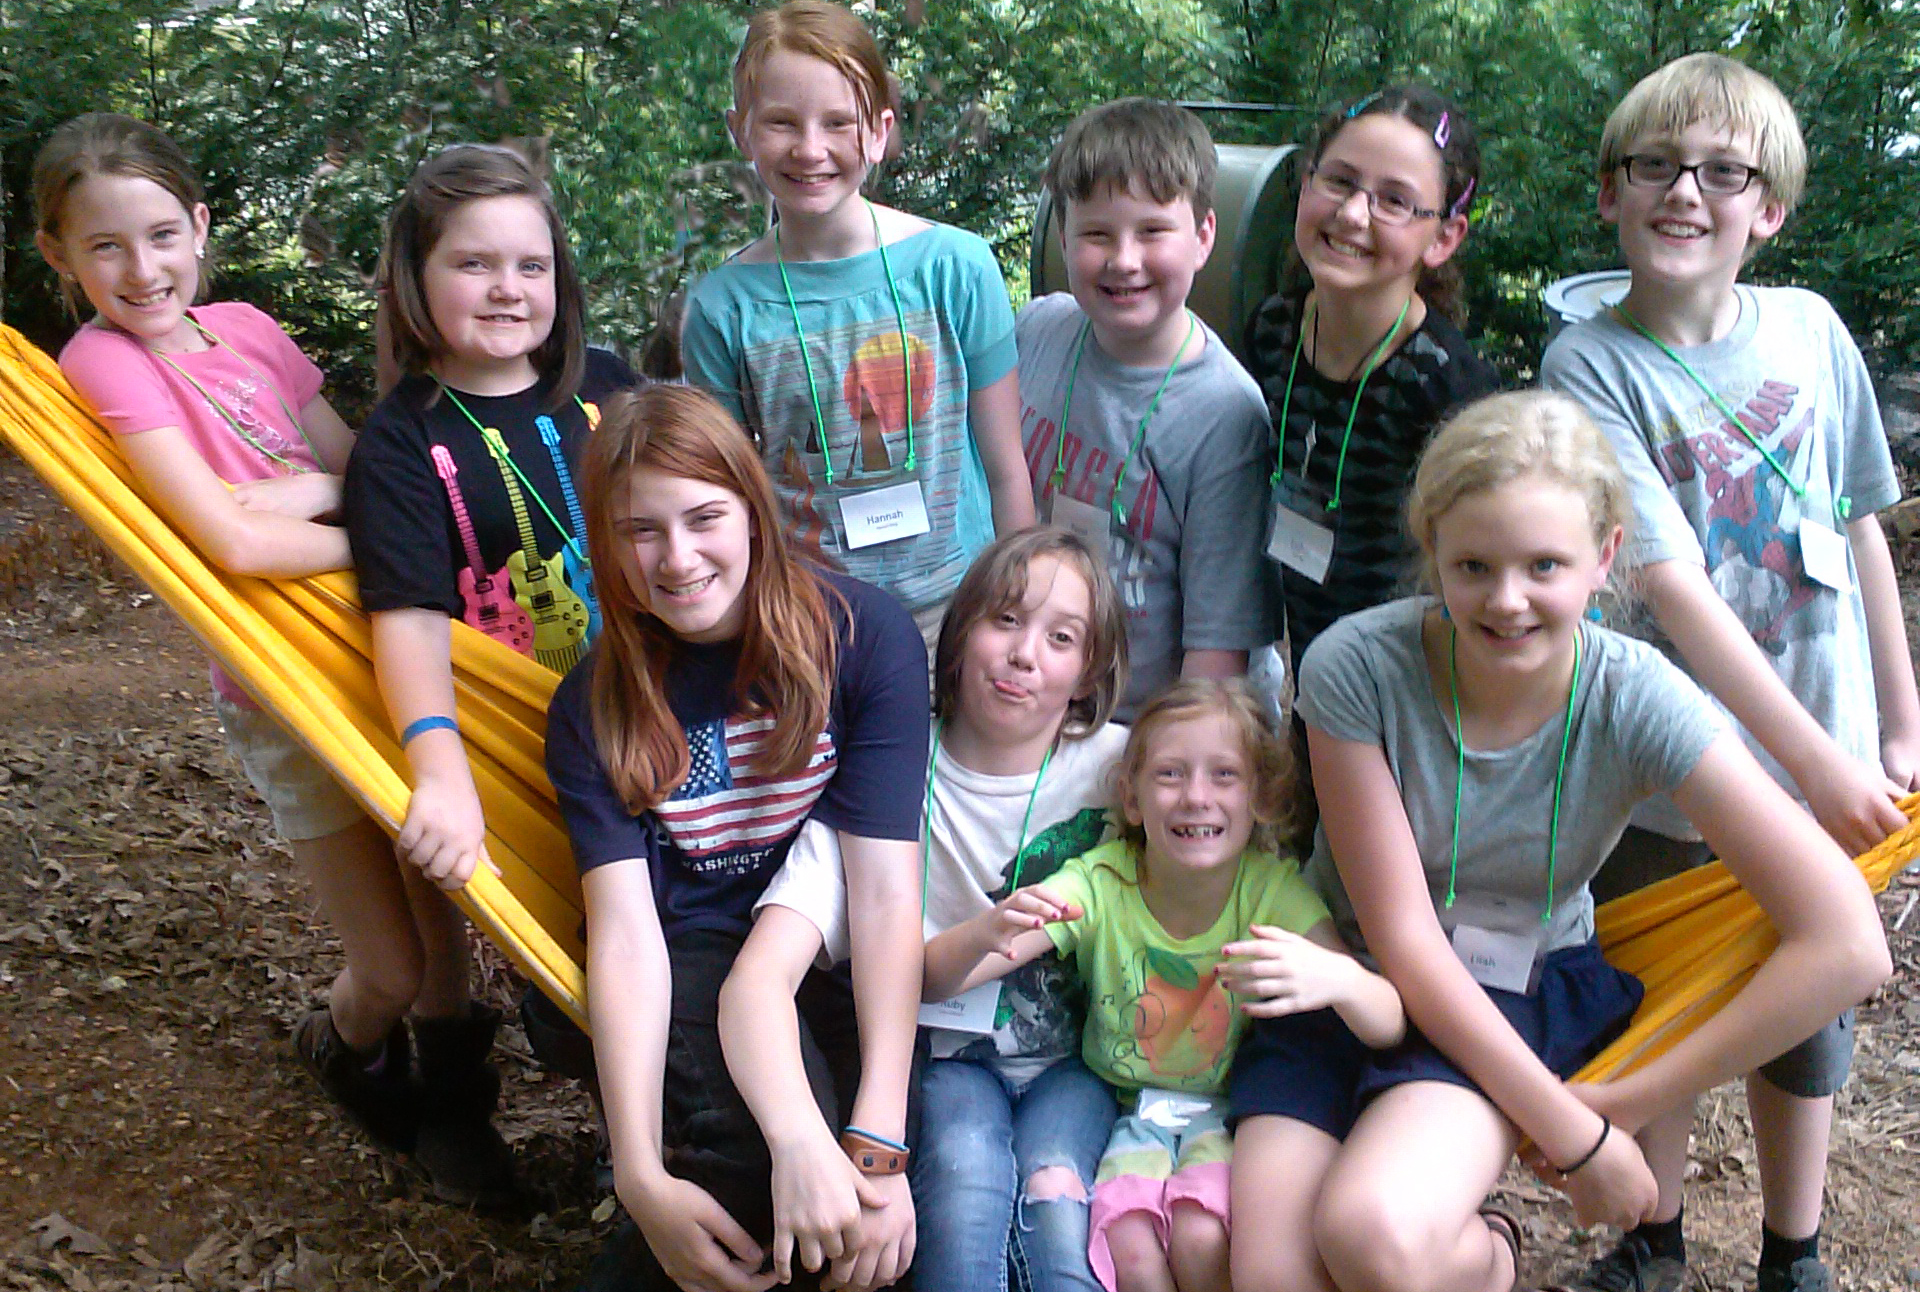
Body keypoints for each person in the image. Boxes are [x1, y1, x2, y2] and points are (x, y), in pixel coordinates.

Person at [1226, 389, 1890, 1292]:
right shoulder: (1356, 667)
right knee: (1274, 1276)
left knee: (1372, 1235)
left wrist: (1621, 1106)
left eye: (1544, 565)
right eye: (1473, 565)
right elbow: (1405, 941)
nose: (1507, 601)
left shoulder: (1634, 697)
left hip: (1514, 990)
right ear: (1432, 550)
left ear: (1605, 557)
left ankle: (1490, 1258)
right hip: (1341, 972)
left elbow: (1849, 944)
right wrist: (1577, 1140)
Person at [30, 113, 499, 1200]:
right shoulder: (101, 358)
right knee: (389, 965)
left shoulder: (245, 328)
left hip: (384, 651)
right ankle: (344, 1043)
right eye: (105, 247)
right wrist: (378, 537)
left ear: (199, 226)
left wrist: (314, 496)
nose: (141, 269)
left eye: (161, 235)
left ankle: (455, 1104)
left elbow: (361, 467)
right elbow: (232, 547)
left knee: (441, 910)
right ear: (59, 255)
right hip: (279, 683)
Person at [1539, 53, 1919, 1292]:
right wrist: (1812, 762)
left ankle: (1792, 1251)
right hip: (1661, 771)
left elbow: (1862, 522)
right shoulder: (1589, 366)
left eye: (1721, 172)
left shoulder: (1811, 329)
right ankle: (1650, 1237)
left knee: (1804, 1020)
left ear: (1771, 207)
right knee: (1666, 990)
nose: (1685, 191)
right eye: (1654, 164)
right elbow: (1670, 585)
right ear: (1611, 192)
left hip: (1830, 749)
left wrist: (1897, 729)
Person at [544, 384, 928, 1292]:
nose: (676, 558)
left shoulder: (863, 638)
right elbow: (627, 936)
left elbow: (883, 895)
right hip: (690, 958)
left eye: (704, 518)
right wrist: (638, 1174)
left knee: (879, 1223)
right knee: (758, 1177)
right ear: (607, 544)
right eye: (640, 531)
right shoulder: (593, 707)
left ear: (754, 509)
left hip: (824, 948)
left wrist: (878, 1144)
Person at [718, 527, 1133, 1292]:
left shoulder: (1122, 769)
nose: (1024, 654)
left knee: (1057, 1204)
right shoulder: (888, 768)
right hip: (943, 1059)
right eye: (1005, 620)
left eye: (1061, 637)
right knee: (965, 1190)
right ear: (961, 631)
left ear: (1090, 672)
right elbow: (763, 974)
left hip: (1076, 1064)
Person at [342, 143, 639, 1204]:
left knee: (651, 925)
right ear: (414, 279)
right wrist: (439, 767)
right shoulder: (400, 443)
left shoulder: (607, 387)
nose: (508, 288)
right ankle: (479, 1107)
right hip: (512, 746)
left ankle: (647, 1128)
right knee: (551, 940)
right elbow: (410, 622)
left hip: (641, 719)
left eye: (531, 265)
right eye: (473, 264)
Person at [924, 678, 1400, 1292]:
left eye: (1224, 775)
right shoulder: (1102, 883)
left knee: (1203, 1239)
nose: (1197, 797)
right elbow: (936, 979)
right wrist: (983, 933)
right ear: (1132, 799)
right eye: (1170, 774)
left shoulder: (1271, 891)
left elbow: (1388, 1021)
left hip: (1229, 1111)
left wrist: (1340, 978)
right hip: (1123, 1111)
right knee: (1132, 1250)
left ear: (1259, 797)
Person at [681, 0, 1034, 650]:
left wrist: (1019, 615)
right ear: (741, 131)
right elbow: (726, 496)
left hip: (962, 618)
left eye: (838, 122)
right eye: (781, 122)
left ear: (877, 131)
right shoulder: (722, 308)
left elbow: (1006, 466)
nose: (810, 149)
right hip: (815, 629)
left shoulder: (956, 269)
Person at [1017, 99, 1272, 720]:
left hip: (1153, 720)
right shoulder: (1038, 332)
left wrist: (1167, 755)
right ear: (1063, 238)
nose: (1124, 260)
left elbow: (1217, 653)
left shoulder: (1225, 415)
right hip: (1039, 693)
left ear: (1203, 237)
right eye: (1097, 234)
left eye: (1153, 232)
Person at [1245, 85, 1501, 679]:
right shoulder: (1273, 332)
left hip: (1403, 686)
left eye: (1395, 201)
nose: (1353, 214)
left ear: (1443, 238)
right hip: (1299, 667)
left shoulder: (1448, 391)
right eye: (1338, 181)